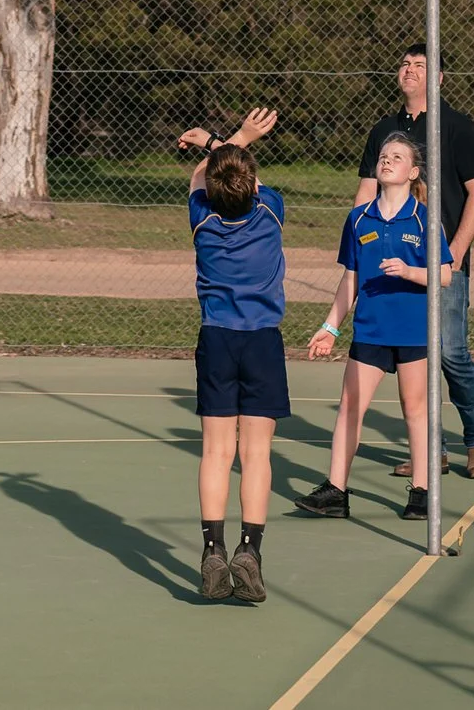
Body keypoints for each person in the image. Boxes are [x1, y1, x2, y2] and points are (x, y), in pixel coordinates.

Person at [355, 41, 474, 479]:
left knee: (451, 353)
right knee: (414, 360)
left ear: (437, 78)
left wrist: (452, 254)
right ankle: (429, 450)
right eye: (405, 63)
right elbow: (365, 192)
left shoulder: (455, 127)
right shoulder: (384, 129)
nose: (410, 69)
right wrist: (357, 251)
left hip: (440, 264)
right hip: (390, 266)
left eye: (421, 65)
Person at [299, 131, 454, 521]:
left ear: (413, 171)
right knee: (350, 407)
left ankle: (421, 491)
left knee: (415, 410)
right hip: (370, 329)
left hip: (413, 330)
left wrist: (409, 271)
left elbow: (446, 274)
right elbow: (350, 277)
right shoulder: (359, 218)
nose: (387, 161)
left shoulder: (423, 218)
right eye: (384, 156)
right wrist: (331, 326)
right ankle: (336, 490)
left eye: (397, 157)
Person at [181, 106, 283, 604]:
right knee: (256, 453)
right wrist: (232, 139)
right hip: (262, 339)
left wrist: (222, 141)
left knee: (216, 451)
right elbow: (235, 175)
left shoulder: (201, 220)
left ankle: (212, 550)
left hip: (216, 338)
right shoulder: (271, 212)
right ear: (255, 187)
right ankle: (250, 551)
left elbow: (203, 178)